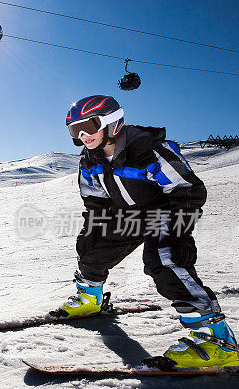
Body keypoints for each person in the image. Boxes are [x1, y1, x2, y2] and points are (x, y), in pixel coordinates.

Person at [60, 94, 237, 369]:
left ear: (111, 122)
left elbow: (187, 189)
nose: (84, 135)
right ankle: (90, 298)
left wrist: (177, 230)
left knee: (164, 260)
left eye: (90, 126)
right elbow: (95, 201)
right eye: (75, 129)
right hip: (128, 215)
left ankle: (216, 340)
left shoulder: (147, 149)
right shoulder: (89, 159)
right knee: (92, 243)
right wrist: (94, 228)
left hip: (165, 211)